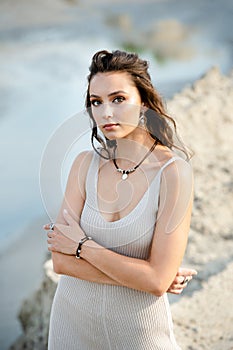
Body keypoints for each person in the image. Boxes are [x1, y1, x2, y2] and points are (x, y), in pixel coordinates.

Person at [44, 49, 197, 349]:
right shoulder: (83, 165)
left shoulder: (173, 174)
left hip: (140, 334)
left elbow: (154, 282)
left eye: (118, 99)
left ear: (143, 101)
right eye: (96, 102)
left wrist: (81, 247)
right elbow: (60, 262)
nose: (106, 113)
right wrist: (145, 276)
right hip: (70, 326)